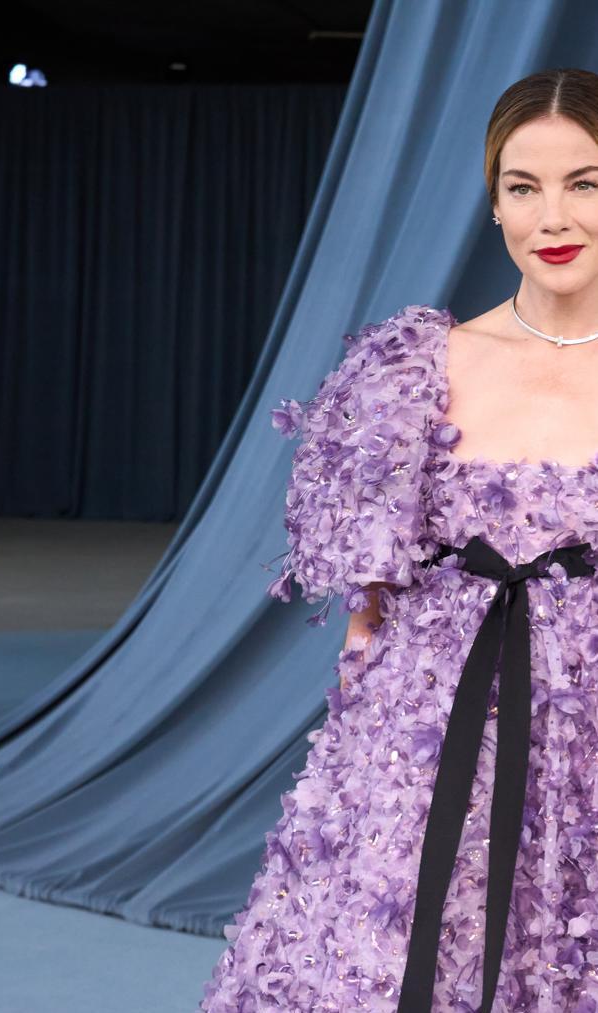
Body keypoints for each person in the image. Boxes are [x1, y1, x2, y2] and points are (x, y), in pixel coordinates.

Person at [199, 67, 598, 1012]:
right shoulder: (415, 368)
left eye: (584, 182)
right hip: (432, 745)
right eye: (521, 186)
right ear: (491, 203)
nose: (553, 217)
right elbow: (366, 619)